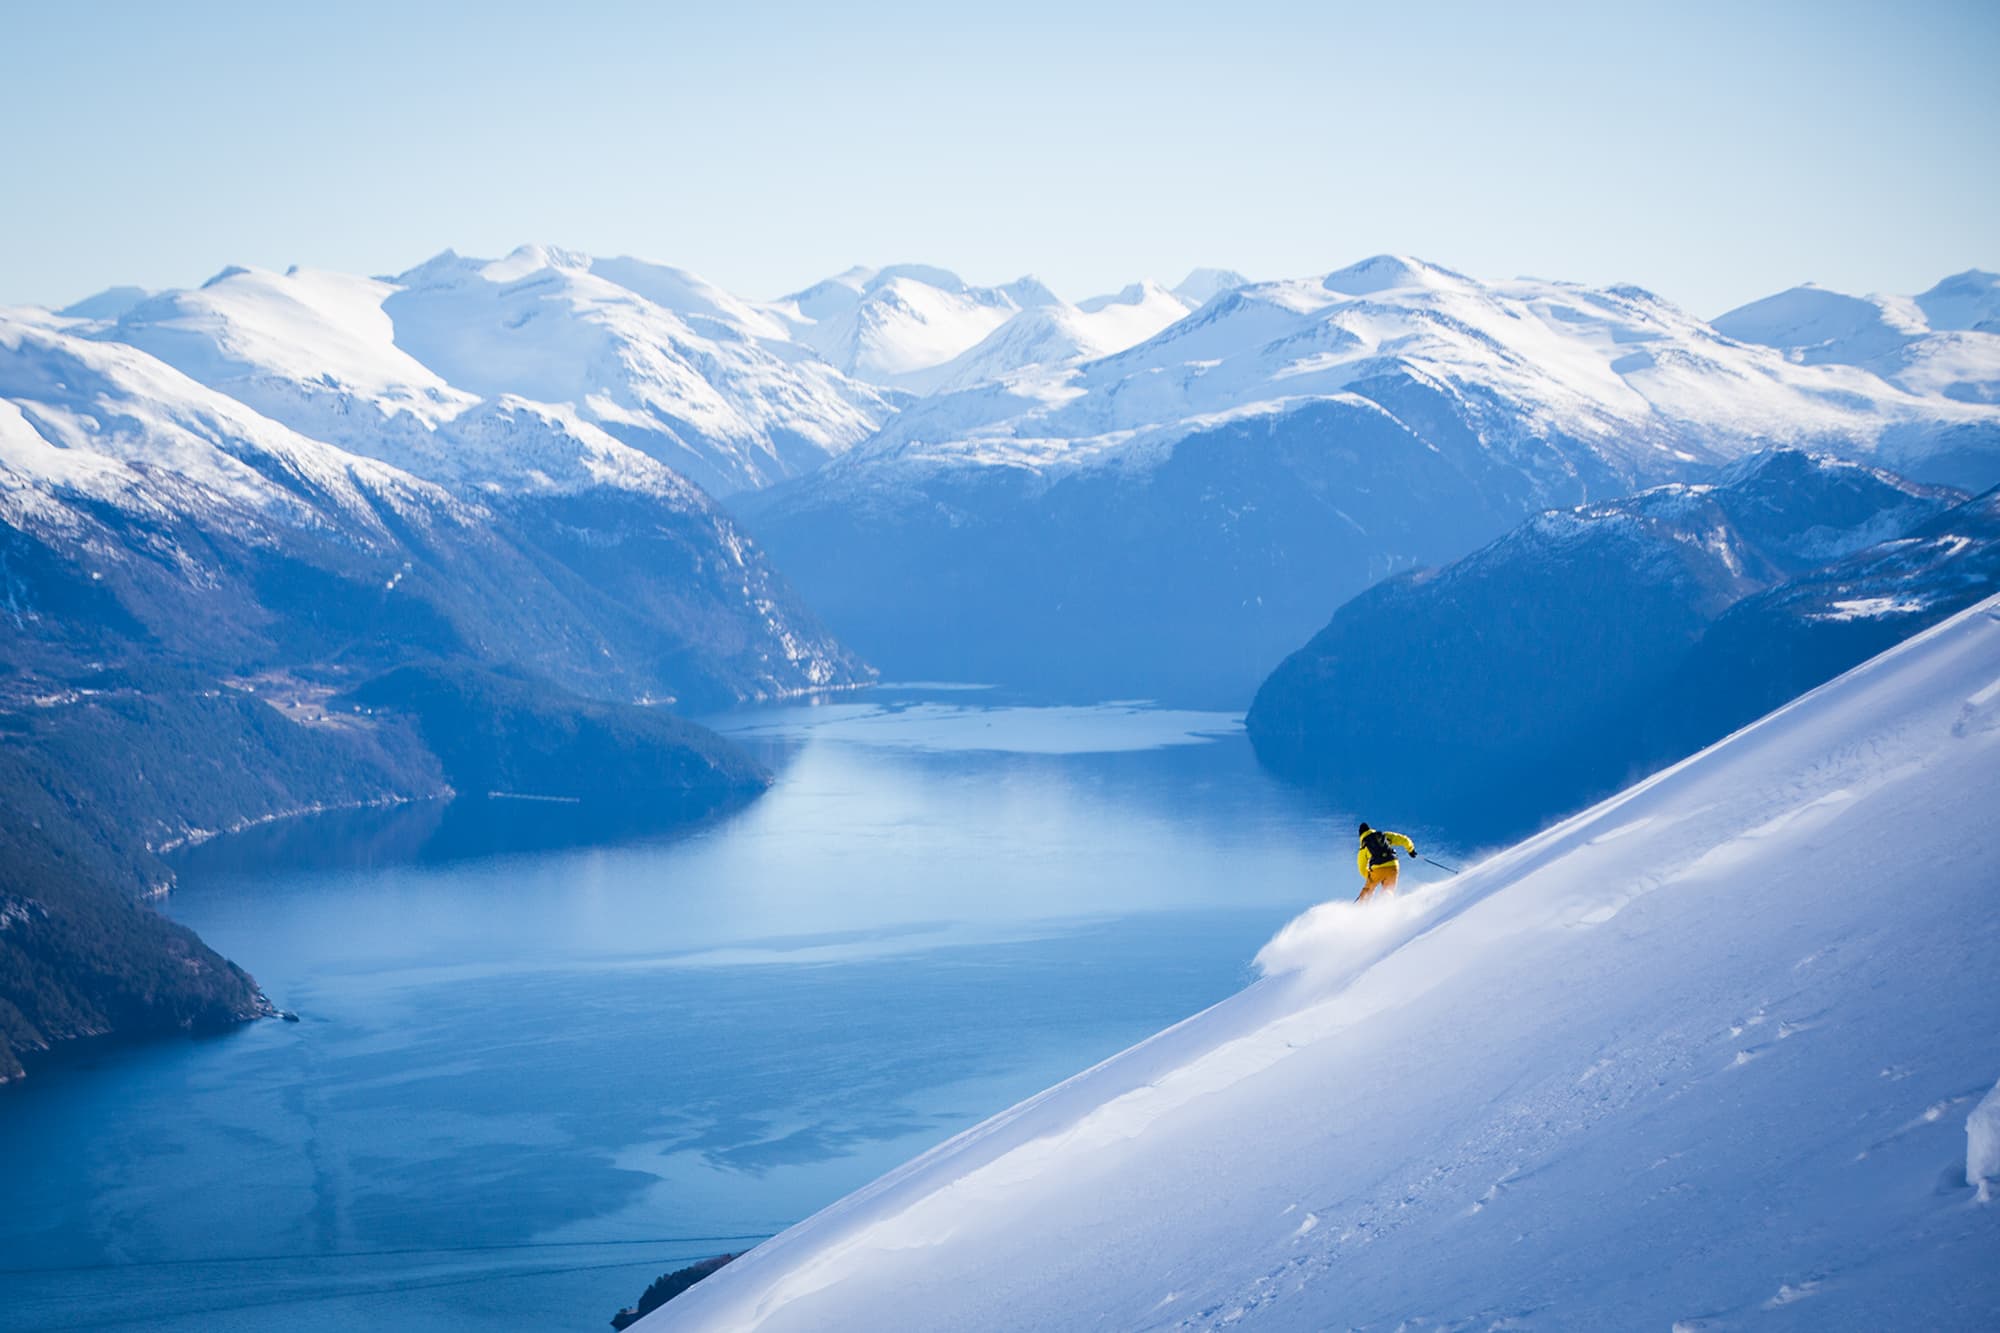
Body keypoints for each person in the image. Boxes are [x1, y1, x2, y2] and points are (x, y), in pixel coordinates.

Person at [1355, 822, 1416, 903]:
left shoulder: (1363, 848)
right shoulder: (1384, 836)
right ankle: (1386, 902)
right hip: (1393, 865)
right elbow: (1403, 839)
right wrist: (1410, 850)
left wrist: (1370, 876)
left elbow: (1362, 869)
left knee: (1368, 889)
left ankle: (1362, 906)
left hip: (1377, 869)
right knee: (1388, 889)